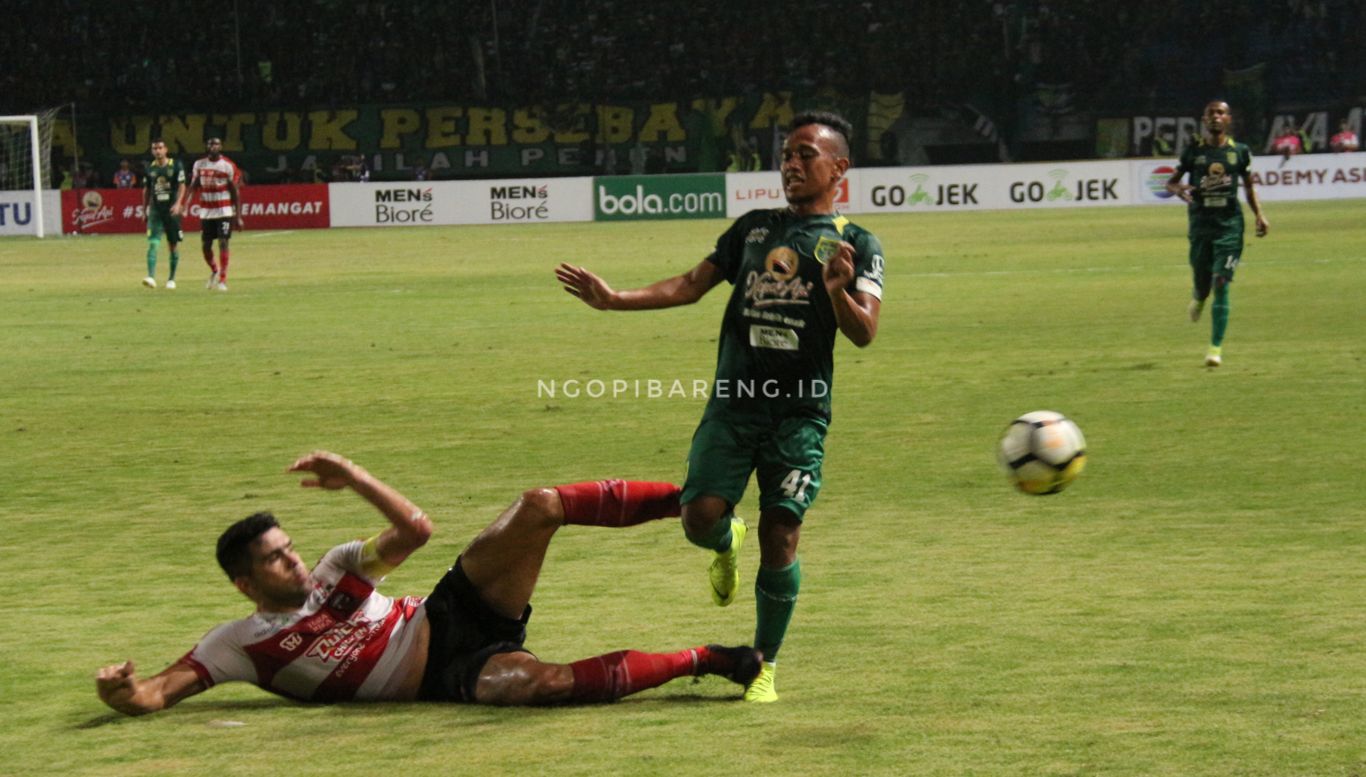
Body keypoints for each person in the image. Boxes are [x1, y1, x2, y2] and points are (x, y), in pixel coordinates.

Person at [555, 111, 884, 702]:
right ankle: (723, 542)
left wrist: (837, 293)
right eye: (785, 153)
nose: (790, 164)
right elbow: (689, 285)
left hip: (799, 413)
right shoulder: (753, 230)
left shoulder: (857, 244)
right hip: (734, 405)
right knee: (699, 517)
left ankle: (763, 665)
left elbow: (864, 333)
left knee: (781, 531)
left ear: (839, 167)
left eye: (805, 154)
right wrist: (614, 301)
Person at [94, 451, 760, 715]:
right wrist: (122, 690)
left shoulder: (337, 568)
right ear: (246, 584)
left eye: (289, 547)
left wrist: (354, 477)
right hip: (452, 672)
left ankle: (693, 501)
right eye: (274, 559)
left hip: (447, 609)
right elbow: (154, 694)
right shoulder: (237, 643)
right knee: (541, 686)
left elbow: (415, 530)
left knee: (538, 504)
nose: (294, 561)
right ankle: (706, 660)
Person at [1165, 100, 1269, 367]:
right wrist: (1178, 189)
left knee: (1221, 281)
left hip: (1229, 225)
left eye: (1221, 112)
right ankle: (1199, 297)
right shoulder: (1193, 151)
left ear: (1228, 119)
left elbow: (1248, 187)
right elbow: (1171, 181)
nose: (1216, 117)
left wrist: (1259, 214)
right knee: (1202, 281)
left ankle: (1215, 349)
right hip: (1201, 224)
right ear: (1204, 119)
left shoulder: (1240, 152)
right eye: (1211, 113)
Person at [187, 137, 244, 292]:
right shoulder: (199, 165)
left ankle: (223, 279)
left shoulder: (228, 165)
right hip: (206, 211)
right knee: (206, 246)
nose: (214, 147)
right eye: (211, 144)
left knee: (223, 242)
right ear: (207, 146)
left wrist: (238, 216)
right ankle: (214, 270)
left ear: (221, 146)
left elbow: (235, 192)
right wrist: (185, 204)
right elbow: (194, 186)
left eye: (217, 144)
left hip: (224, 211)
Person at [140, 139, 187, 290]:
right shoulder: (150, 168)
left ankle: (171, 278)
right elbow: (146, 190)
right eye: (155, 148)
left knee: (172, 245)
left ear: (166, 149)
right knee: (153, 243)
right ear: (152, 151)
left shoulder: (175, 165)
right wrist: (144, 209)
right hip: (156, 211)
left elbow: (181, 186)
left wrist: (179, 203)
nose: (157, 151)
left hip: (171, 210)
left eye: (160, 148)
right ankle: (151, 276)